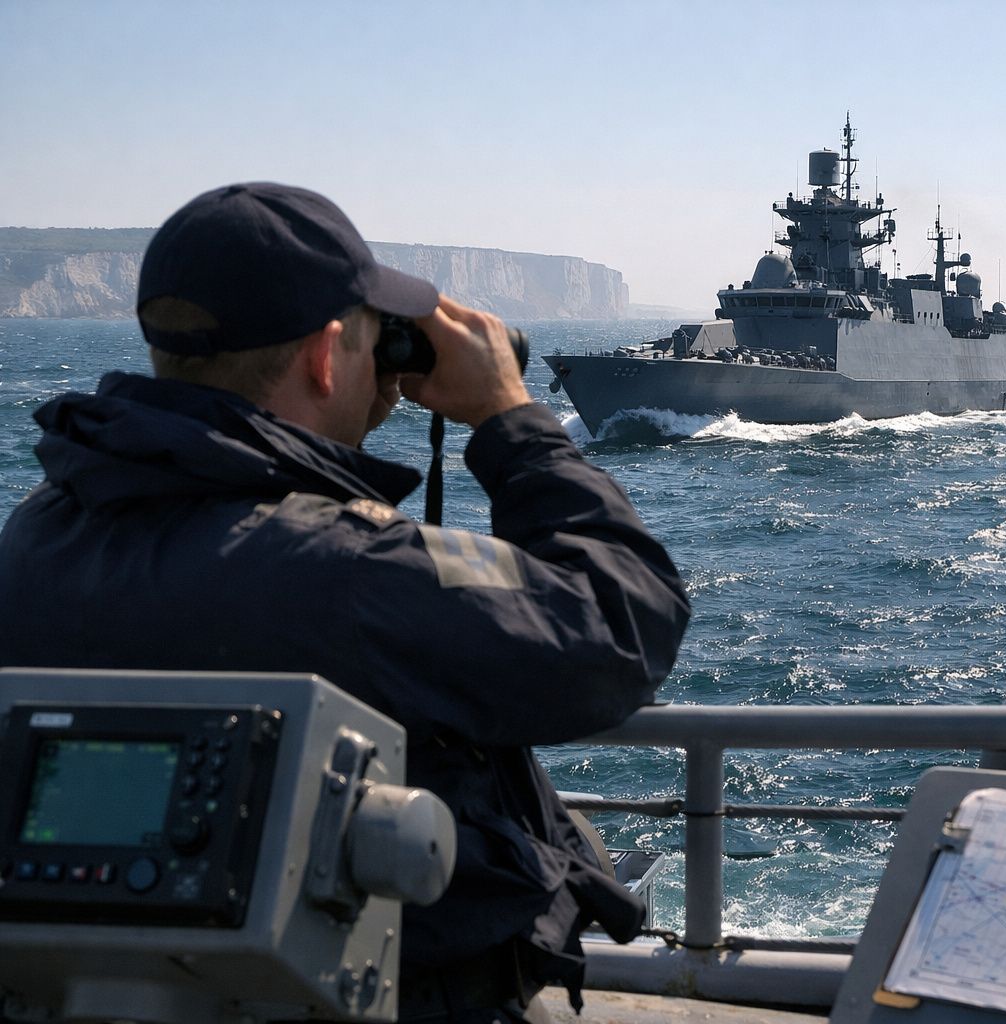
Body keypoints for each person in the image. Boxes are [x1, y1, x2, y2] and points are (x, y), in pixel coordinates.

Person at [0, 183, 692, 1021]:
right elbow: (620, 630)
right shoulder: (346, 567)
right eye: (376, 339)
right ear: (327, 356)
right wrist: (513, 419)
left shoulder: (34, 537)